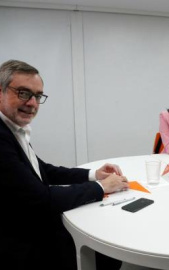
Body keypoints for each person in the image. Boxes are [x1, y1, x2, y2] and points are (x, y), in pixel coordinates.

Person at [0, 59, 129, 270]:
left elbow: (44, 171)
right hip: (23, 242)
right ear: (1, 92)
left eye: (38, 96)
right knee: (105, 251)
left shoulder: (12, 130)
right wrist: (101, 187)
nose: (32, 103)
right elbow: (41, 199)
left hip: (31, 224)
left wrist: (94, 174)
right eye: (23, 93)